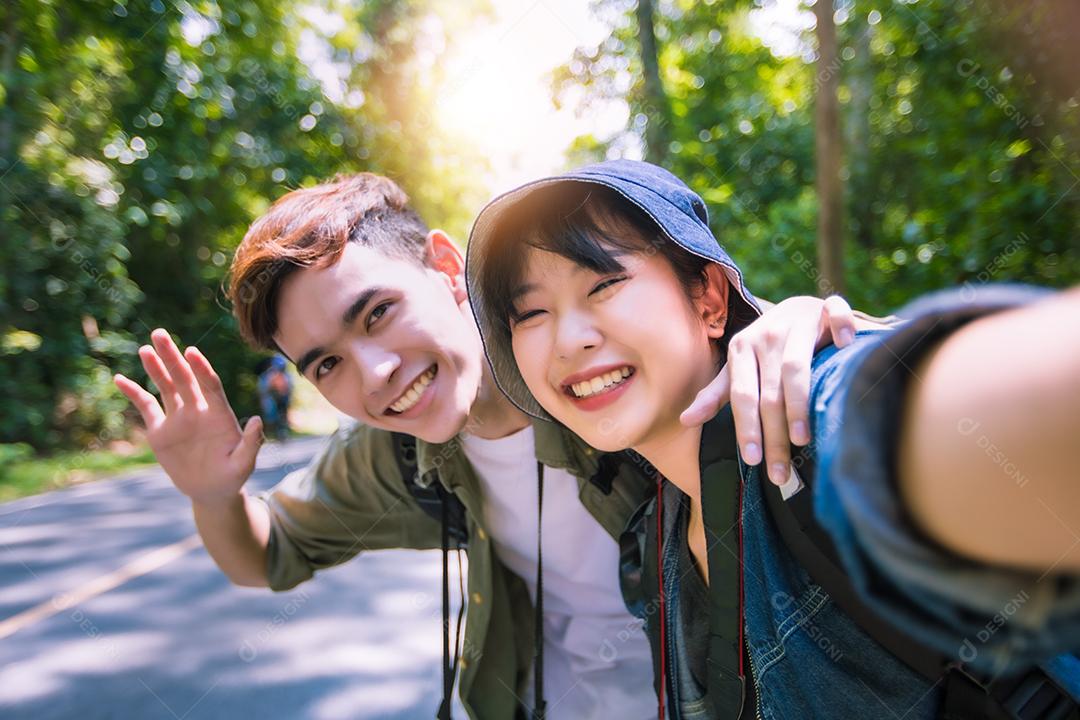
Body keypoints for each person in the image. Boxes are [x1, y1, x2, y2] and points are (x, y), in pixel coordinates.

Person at [113, 172, 881, 719]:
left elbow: (727, 351)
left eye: (376, 313)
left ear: (448, 269)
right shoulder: (397, 455)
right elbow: (266, 553)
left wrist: (793, 324)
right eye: (326, 364)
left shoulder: (599, 376)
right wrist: (212, 493)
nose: (375, 373)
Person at [466, 159, 1080, 719]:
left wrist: (880, 348)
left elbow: (966, 412)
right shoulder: (653, 540)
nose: (569, 339)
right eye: (531, 314)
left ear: (708, 297)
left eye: (602, 284)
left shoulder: (814, 420)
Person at [255, 354, 292, 439]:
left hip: (282, 399)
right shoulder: (269, 376)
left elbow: (288, 388)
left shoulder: (285, 376)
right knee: (271, 416)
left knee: (282, 415)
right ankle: (272, 433)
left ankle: (282, 432)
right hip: (273, 398)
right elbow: (264, 389)